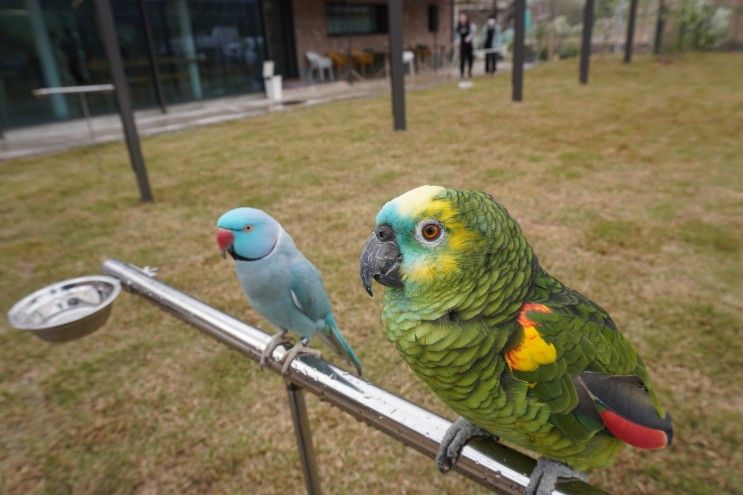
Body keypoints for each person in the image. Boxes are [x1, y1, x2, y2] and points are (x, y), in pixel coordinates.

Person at [455, 12, 476, 80]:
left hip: (469, 45)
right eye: (461, 17)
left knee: (470, 59)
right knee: (462, 60)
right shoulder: (458, 26)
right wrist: (457, 40)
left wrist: (469, 38)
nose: (462, 19)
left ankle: (469, 72)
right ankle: (462, 73)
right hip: (462, 45)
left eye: (463, 17)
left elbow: (473, 34)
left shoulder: (470, 25)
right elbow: (456, 35)